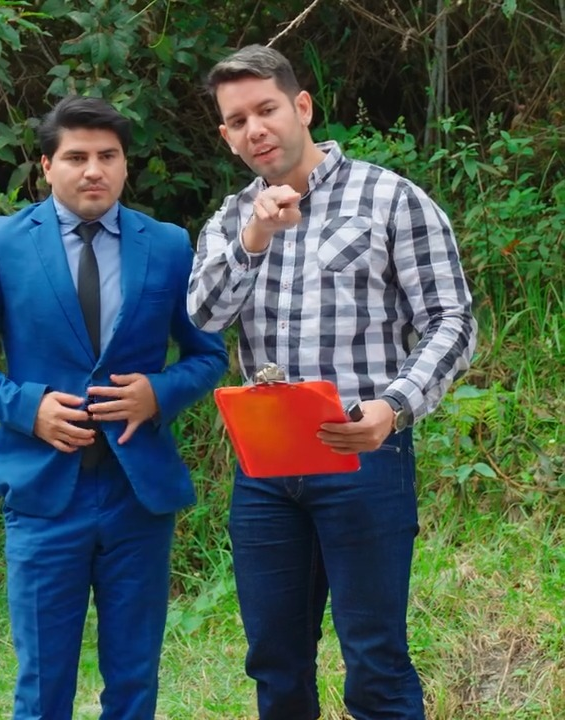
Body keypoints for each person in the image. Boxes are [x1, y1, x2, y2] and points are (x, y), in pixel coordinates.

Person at [188, 45, 476, 720]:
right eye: (238, 121)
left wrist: (394, 407)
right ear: (226, 136)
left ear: (302, 107)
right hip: (266, 468)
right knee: (274, 659)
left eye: (266, 109)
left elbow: (452, 321)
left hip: (361, 453)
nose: (256, 129)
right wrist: (255, 238)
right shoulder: (232, 219)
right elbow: (203, 316)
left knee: (375, 657)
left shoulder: (390, 198)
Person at [0, 95, 228, 720]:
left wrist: (159, 392)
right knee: (43, 684)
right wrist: (27, 407)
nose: (93, 170)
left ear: (125, 165)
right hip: (43, 493)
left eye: (107, 156)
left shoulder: (168, 245)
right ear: (47, 166)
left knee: (135, 678)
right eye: (76, 157)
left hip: (137, 493)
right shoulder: (2, 243)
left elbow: (208, 355)